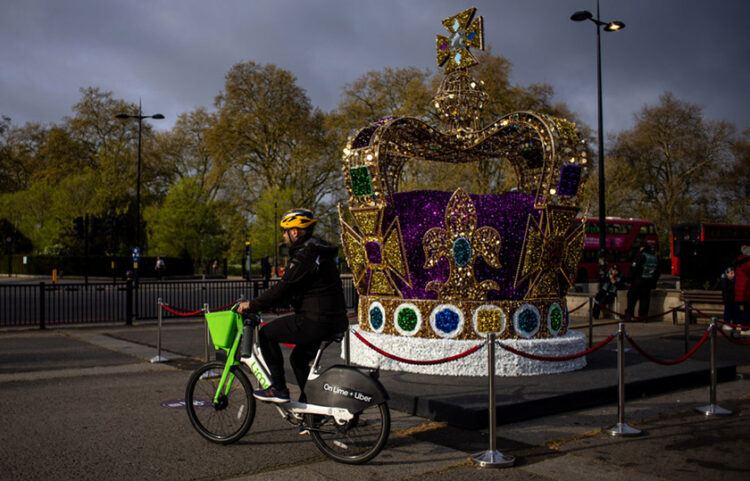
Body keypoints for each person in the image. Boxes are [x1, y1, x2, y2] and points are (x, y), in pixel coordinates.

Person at [238, 208, 348, 403]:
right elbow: (301, 288)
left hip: (316, 320)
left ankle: (279, 389)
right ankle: (313, 410)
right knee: (297, 359)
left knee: (266, 334)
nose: (283, 236)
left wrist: (252, 305)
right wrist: (277, 304)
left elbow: (284, 287)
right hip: (334, 319)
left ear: (295, 232)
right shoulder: (317, 252)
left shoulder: (306, 254)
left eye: (285, 231)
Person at [624, 245, 660, 320]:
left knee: (631, 298)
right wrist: (653, 283)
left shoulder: (641, 256)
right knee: (645, 300)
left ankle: (629, 314)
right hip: (648, 282)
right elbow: (657, 273)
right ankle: (643, 316)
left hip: (638, 281)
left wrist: (629, 280)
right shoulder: (655, 258)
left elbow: (633, 268)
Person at [734, 245, 750, 335]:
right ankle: (745, 328)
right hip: (746, 292)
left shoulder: (739, 262)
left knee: (743, 311)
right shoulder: (747, 263)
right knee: (747, 311)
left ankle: (741, 326)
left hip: (740, 292)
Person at [719, 266, 737, 333]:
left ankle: (735, 323)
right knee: (728, 311)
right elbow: (725, 288)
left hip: (733, 299)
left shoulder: (734, 280)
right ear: (727, 273)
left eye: (733, 273)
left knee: (735, 311)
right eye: (731, 273)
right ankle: (726, 323)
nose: (733, 274)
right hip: (728, 299)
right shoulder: (725, 280)